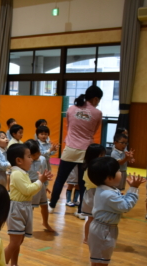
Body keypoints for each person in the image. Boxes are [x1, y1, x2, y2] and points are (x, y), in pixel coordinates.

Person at [87, 157, 144, 266]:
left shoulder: (108, 189)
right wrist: (134, 189)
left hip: (104, 229)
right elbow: (126, 205)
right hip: (103, 231)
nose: (121, 173)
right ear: (109, 178)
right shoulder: (108, 194)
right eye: (118, 171)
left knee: (97, 264)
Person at [49, 85, 104, 215]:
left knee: (60, 179)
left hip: (70, 149)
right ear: (95, 98)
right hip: (86, 151)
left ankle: (51, 206)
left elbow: (69, 126)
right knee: (84, 182)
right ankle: (81, 211)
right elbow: (94, 131)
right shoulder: (97, 113)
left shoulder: (71, 109)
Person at [4, 144, 51, 266]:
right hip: (17, 210)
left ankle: (14, 264)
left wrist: (40, 183)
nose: (31, 159)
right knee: (14, 242)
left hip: (24, 208)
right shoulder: (17, 174)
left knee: (19, 241)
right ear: (19, 160)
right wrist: (40, 181)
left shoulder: (22, 173)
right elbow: (27, 190)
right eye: (29, 156)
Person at [25, 140, 55, 232]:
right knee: (31, 207)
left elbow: (44, 172)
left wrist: (45, 185)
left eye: (38, 152)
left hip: (41, 184)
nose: (37, 155)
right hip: (32, 185)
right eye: (34, 154)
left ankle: (45, 222)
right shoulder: (26, 161)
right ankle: (26, 225)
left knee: (45, 205)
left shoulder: (42, 159)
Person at [81, 144, 107, 244]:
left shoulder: (98, 167)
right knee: (91, 218)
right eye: (101, 155)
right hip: (92, 195)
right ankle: (86, 238)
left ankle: (96, 237)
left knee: (99, 219)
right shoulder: (90, 169)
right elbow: (94, 182)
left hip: (98, 194)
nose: (103, 158)